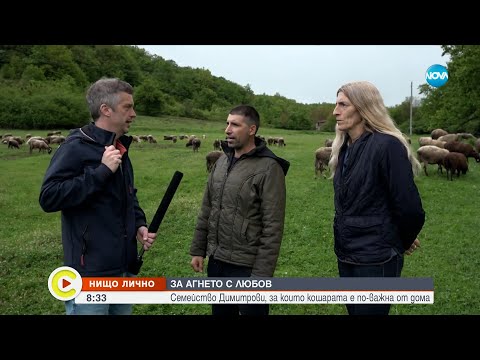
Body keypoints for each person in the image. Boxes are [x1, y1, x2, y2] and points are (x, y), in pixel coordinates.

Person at [39, 78, 156, 315]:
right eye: (127, 107)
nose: (133, 114)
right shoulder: (75, 147)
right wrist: (101, 172)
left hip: (123, 267)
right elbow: (49, 197)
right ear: (105, 109)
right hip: (90, 271)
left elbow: (128, 195)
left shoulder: (119, 147)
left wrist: (139, 224)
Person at [329, 81, 425, 315]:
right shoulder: (343, 148)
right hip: (347, 253)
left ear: (364, 107)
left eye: (343, 104)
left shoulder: (387, 146)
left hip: (376, 259)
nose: (335, 111)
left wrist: (396, 241)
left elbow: (410, 209)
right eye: (336, 104)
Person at [190, 105, 290, 316]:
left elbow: (273, 226)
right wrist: (198, 250)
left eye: (235, 124)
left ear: (251, 129)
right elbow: (207, 208)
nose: (227, 129)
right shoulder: (222, 162)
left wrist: (261, 277)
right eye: (227, 123)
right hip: (217, 262)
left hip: (246, 266)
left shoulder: (269, 168)